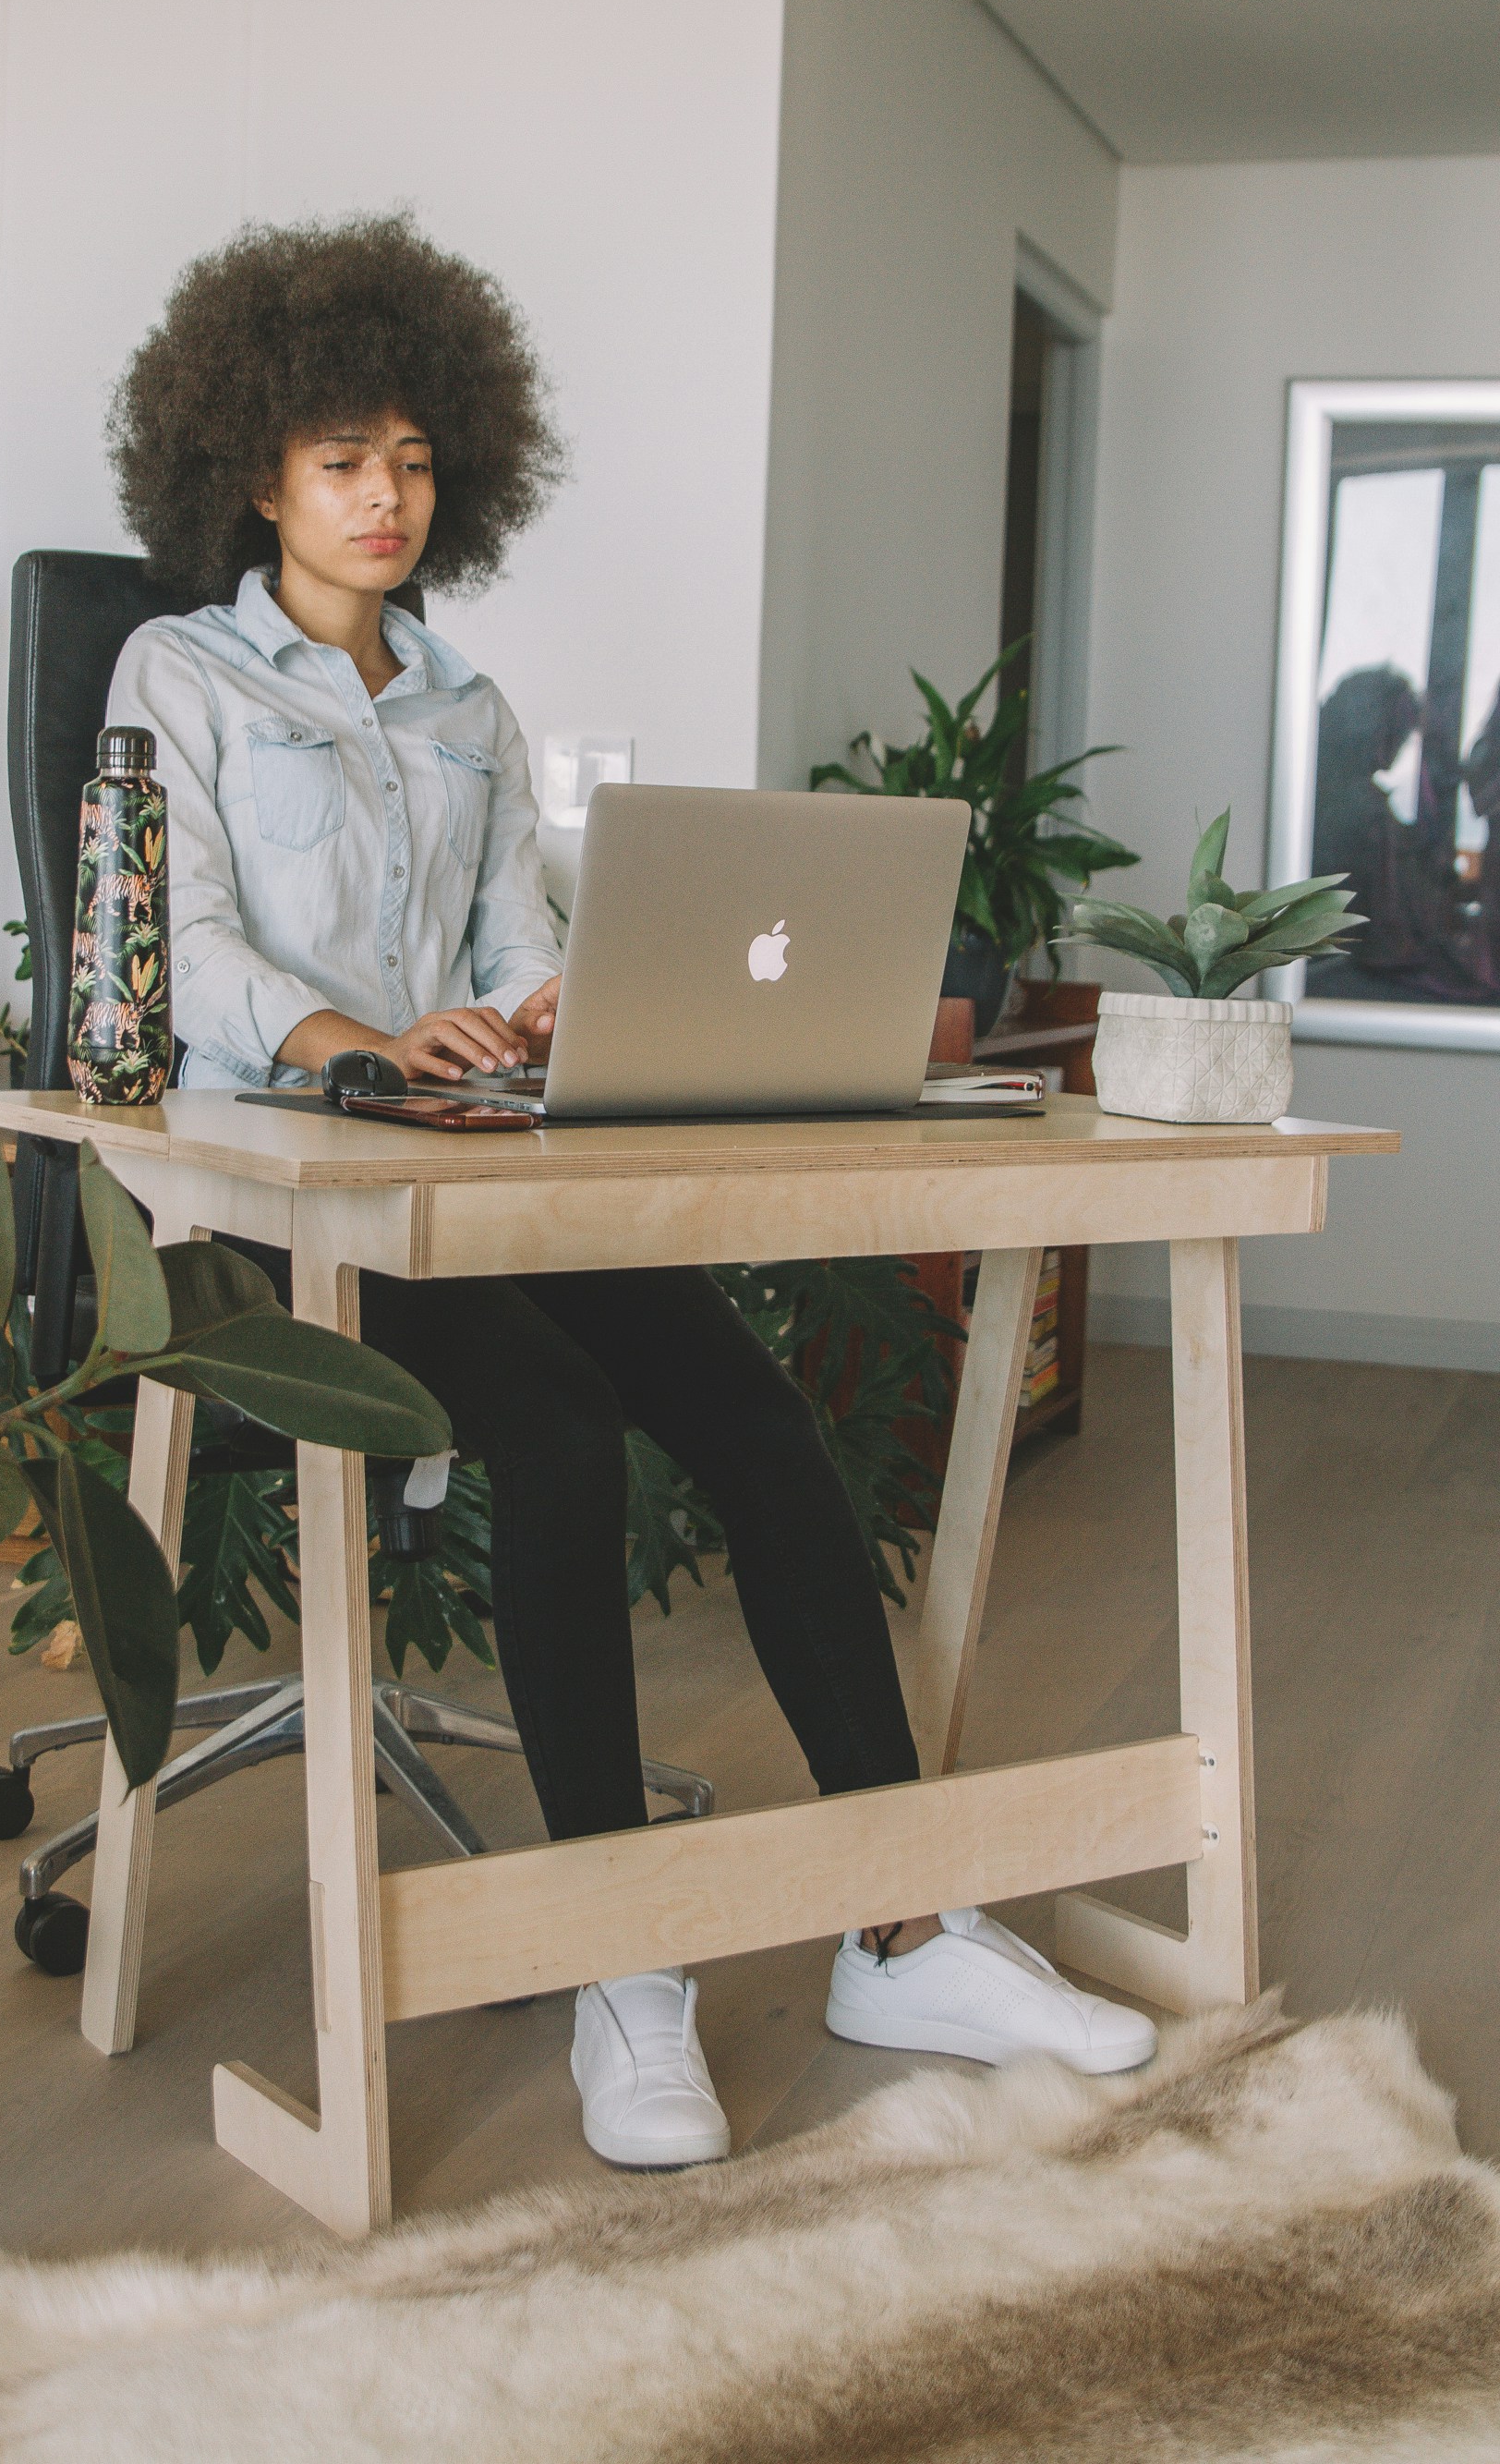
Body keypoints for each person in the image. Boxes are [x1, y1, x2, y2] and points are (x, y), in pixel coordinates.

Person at [105, 214, 1155, 2167]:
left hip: (471, 1175)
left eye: (415, 459)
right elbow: (167, 955)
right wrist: (350, 1037)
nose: (384, 496)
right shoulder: (174, 677)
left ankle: (903, 1923)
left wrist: (533, 1010)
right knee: (564, 1429)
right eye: (343, 459)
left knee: (761, 1428)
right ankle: (616, 1957)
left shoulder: (470, 711)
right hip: (274, 1196)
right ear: (256, 472)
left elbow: (515, 940)